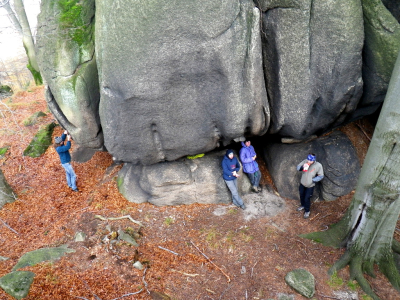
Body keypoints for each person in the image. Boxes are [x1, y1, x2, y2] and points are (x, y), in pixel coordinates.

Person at [296, 153, 323, 219]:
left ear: (314, 160)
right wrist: (303, 167)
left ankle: (307, 211)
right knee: (301, 195)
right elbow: (298, 167)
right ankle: (303, 205)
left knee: (307, 198)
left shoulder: (318, 165)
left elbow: (321, 176)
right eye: (308, 160)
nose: (309, 161)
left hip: (310, 185)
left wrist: (313, 180)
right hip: (302, 183)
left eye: (310, 160)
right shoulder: (305, 161)